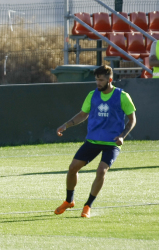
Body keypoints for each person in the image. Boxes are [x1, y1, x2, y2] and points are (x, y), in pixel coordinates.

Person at [54, 65, 136, 218]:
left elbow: (132, 119)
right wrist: (66, 125)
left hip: (112, 143)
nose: (98, 83)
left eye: (101, 80)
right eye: (96, 79)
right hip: (93, 141)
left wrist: (122, 136)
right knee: (72, 168)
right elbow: (83, 114)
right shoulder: (92, 95)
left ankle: (88, 205)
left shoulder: (122, 96)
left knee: (101, 171)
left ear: (110, 80)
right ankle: (69, 200)